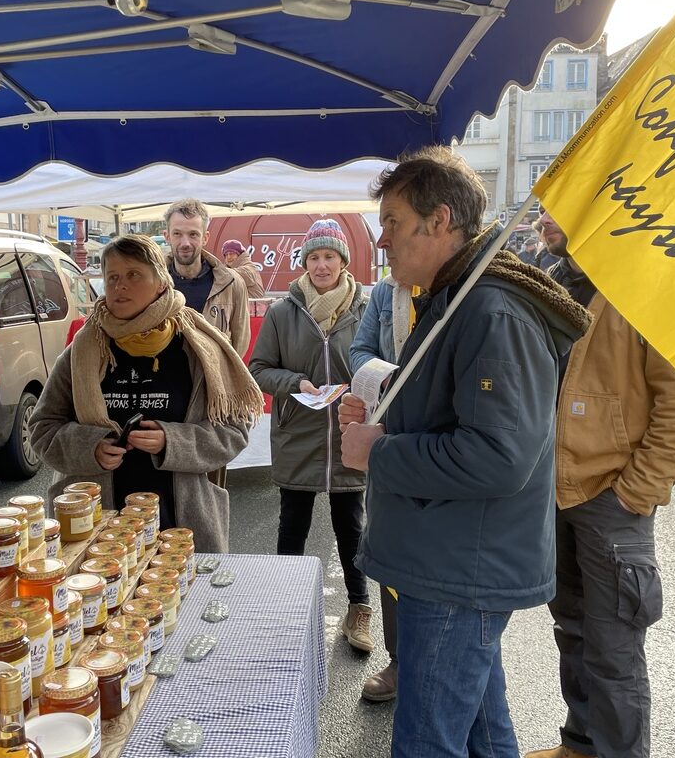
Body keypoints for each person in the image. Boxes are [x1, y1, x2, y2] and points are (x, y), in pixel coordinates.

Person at [338, 147, 591, 757]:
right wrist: (387, 408)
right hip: (449, 558)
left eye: (394, 222)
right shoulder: (457, 295)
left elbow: (499, 456)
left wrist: (378, 452)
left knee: (429, 741)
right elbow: (451, 405)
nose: (383, 238)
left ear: (441, 219)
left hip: (458, 569)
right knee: (483, 734)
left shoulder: (490, 308)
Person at [526, 211, 675, 758]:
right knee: (573, 629)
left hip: (611, 495)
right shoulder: (559, 279)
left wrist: (636, 490)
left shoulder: (644, 284)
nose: (543, 217)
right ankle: (580, 744)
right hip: (556, 491)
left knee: (615, 650)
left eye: (557, 206)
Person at [30, 234, 262, 553]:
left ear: (161, 284)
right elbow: (43, 429)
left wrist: (172, 441)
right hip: (95, 529)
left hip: (184, 527)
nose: (120, 285)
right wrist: (89, 447)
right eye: (112, 277)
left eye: (133, 275)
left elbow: (234, 431)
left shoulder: (198, 350)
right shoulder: (81, 351)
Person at [249, 219, 373, 652]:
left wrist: (361, 384)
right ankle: (284, 605)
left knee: (351, 526)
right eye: (314, 257)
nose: (322, 266)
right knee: (293, 523)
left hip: (347, 432)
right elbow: (259, 369)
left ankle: (359, 610)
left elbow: (380, 363)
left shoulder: (365, 309)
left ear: (343, 261)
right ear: (305, 263)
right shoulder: (284, 312)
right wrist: (296, 383)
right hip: (297, 433)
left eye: (330, 257)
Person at [347, 272, 421, 701]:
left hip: (441, 443)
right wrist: (389, 379)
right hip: (390, 436)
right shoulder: (387, 293)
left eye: (395, 223)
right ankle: (398, 661)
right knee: (390, 550)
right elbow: (360, 350)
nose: (386, 241)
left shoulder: (468, 289)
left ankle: (439, 665)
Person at [162, 199, 250, 355]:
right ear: (167, 236)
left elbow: (240, 343)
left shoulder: (231, 283)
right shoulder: (152, 284)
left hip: (214, 378)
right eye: (177, 234)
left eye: (193, 234)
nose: (185, 243)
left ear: (205, 237)